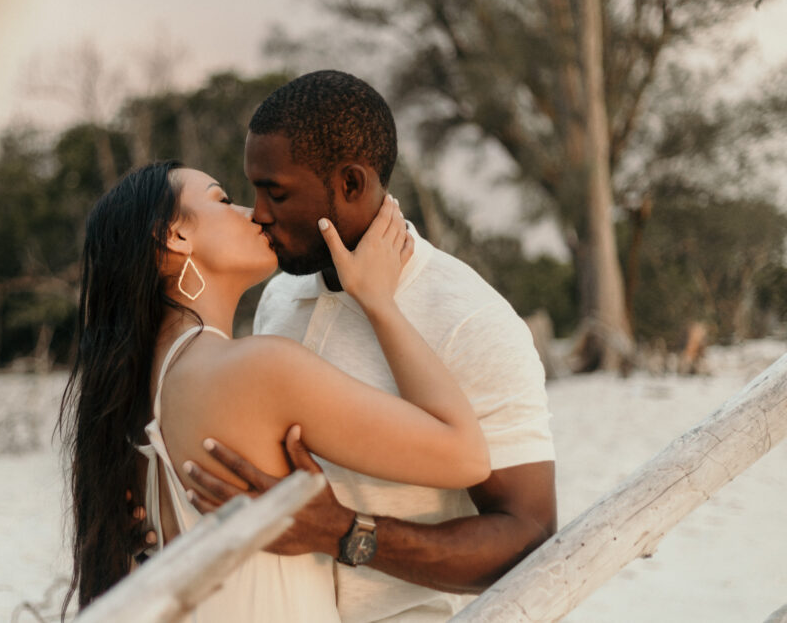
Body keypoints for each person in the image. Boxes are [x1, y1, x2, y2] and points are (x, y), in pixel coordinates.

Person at [182, 70, 558, 622]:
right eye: (253, 189)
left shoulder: (471, 320)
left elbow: (529, 536)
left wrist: (346, 534)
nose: (259, 213)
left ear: (352, 184)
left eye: (277, 191)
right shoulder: (280, 297)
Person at [57, 158, 492, 620]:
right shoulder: (258, 369)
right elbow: (466, 455)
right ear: (174, 235)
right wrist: (378, 301)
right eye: (223, 200)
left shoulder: (127, 403)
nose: (254, 213)